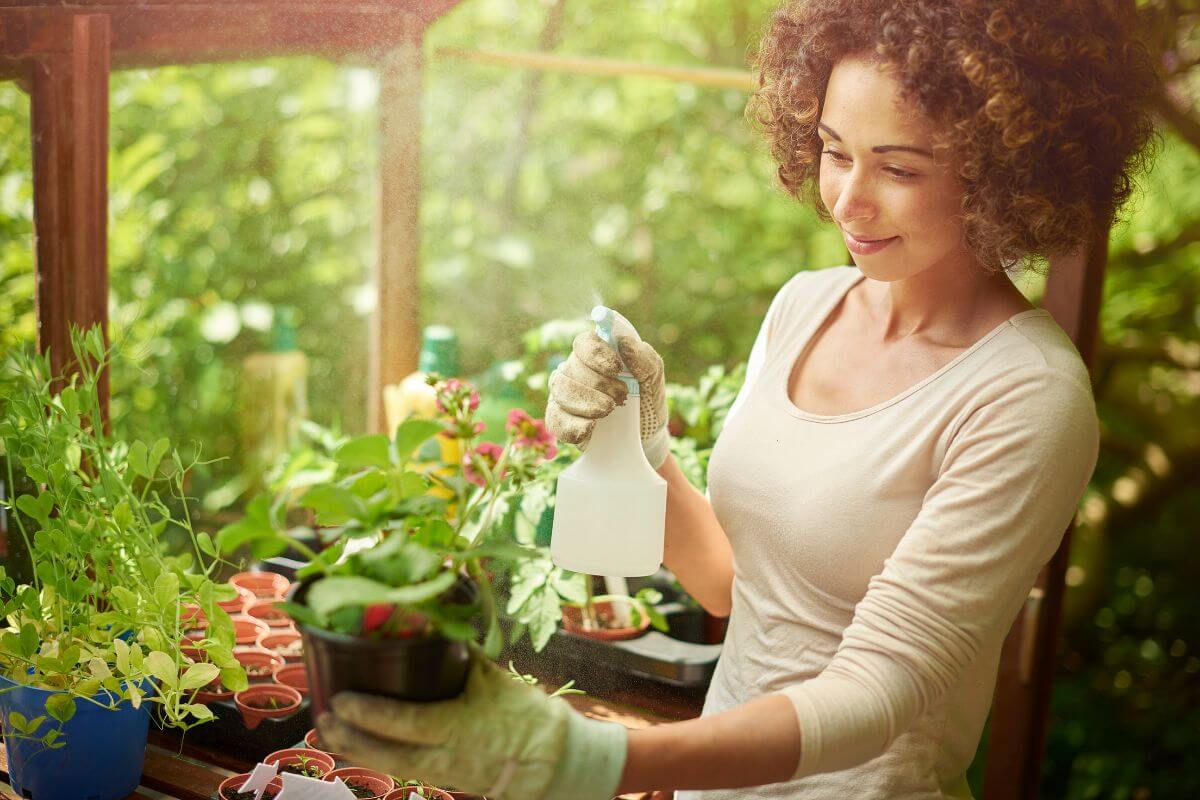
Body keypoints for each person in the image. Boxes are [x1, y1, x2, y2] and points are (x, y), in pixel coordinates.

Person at [317, 0, 1160, 797]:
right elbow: (730, 584)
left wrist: (587, 759)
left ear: (1007, 171)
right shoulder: (804, 306)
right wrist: (640, 445)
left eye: (899, 167)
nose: (849, 200)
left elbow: (876, 695)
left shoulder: (1027, 399)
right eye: (835, 151)